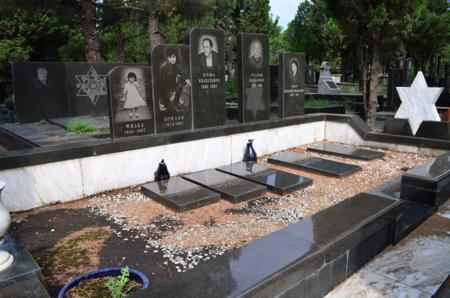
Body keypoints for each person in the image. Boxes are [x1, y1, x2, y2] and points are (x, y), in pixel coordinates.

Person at [158, 47, 190, 112]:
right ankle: (166, 103)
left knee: (180, 86)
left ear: (176, 57)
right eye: (170, 57)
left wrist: (187, 80)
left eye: (174, 57)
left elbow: (183, 74)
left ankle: (176, 102)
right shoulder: (164, 68)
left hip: (175, 87)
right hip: (166, 89)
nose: (173, 59)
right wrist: (176, 76)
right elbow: (164, 82)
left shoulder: (178, 66)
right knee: (169, 107)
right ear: (167, 58)